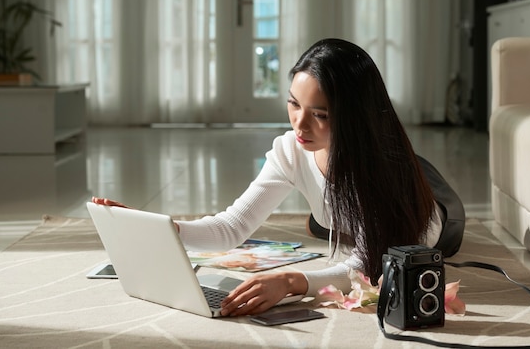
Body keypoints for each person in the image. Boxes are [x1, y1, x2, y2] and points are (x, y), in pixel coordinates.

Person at [92, 38, 464, 317]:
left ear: (354, 116)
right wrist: (161, 228)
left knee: (390, 237)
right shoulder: (291, 149)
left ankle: (330, 221)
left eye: (320, 114)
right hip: (355, 189)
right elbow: (231, 227)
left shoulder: (384, 174)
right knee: (328, 222)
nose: (299, 124)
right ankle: (326, 222)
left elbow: (364, 269)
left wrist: (291, 281)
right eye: (294, 103)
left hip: (430, 210)